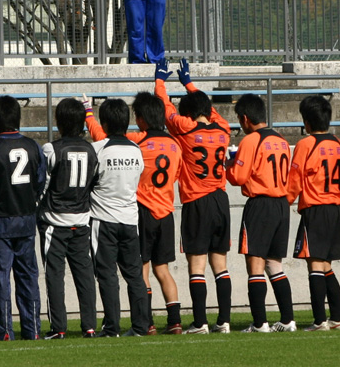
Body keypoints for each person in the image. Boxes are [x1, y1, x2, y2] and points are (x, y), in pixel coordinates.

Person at [85, 90, 183, 334]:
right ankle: (174, 321)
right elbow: (177, 175)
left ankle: (146, 323)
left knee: (141, 270)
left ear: (140, 119)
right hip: (166, 211)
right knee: (163, 270)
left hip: (142, 211)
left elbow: (104, 139)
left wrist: (88, 114)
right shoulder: (175, 144)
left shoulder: (137, 142)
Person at [155, 59, 234, 333]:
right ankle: (224, 321)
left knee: (196, 265)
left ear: (188, 114)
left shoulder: (186, 129)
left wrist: (160, 82)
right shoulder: (223, 129)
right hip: (221, 199)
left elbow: (165, 111)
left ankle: (200, 322)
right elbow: (209, 110)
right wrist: (189, 84)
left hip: (197, 201)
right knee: (220, 265)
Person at [0, 95, 46, 341]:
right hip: (26, 220)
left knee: (2, 276)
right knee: (28, 277)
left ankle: (4, 329)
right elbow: (39, 183)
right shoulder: (34, 146)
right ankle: (33, 329)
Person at [227, 93, 294, 333]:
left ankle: (259, 323)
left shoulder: (250, 141)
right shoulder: (282, 140)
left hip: (261, 204)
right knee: (274, 265)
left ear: (245, 118)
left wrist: (229, 164)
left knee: (255, 265)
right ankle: (288, 320)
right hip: (281, 205)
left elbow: (238, 178)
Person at [287, 95, 340, 331]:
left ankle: (319, 320)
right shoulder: (339, 144)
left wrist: (285, 202)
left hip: (315, 208)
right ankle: (338, 317)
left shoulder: (306, 144)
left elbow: (295, 179)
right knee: (326, 266)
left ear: (307, 121)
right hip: (335, 210)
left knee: (314, 264)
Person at [89, 98, 150, 337]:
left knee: (107, 274)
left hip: (103, 219)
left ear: (103, 123)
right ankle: (141, 326)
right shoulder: (136, 150)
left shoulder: (99, 149)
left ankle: (112, 326)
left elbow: (89, 182)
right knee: (134, 275)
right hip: (130, 219)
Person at [39, 98, 99, 339]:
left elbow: (42, 186)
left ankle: (59, 327)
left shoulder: (51, 149)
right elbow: (92, 182)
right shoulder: (91, 150)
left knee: (54, 275)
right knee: (85, 275)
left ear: (59, 121)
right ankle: (90, 325)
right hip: (82, 220)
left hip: (55, 220)